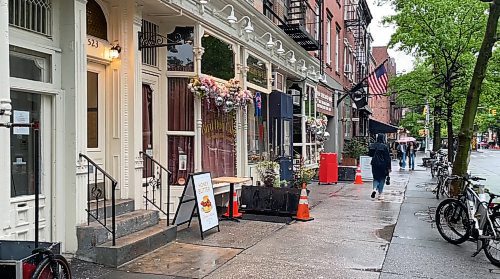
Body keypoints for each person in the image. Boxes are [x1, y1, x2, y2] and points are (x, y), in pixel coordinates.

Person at [368, 134, 392, 200]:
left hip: (374, 164)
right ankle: (380, 194)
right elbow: (387, 158)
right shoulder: (384, 146)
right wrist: (389, 167)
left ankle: (374, 189)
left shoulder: (372, 145)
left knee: (375, 178)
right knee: (382, 179)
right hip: (383, 165)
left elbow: (370, 154)